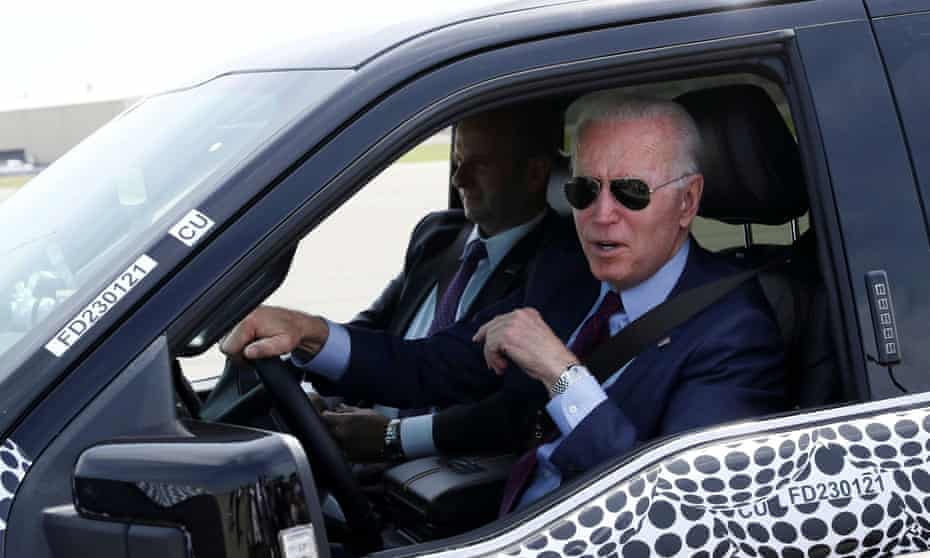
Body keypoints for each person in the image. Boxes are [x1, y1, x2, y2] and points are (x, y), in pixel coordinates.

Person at [222, 95, 786, 511]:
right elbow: (432, 366)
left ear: (687, 202)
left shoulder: (734, 331)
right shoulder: (571, 279)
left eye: (631, 192)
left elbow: (679, 511)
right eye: (585, 190)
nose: (601, 214)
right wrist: (308, 332)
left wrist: (559, 373)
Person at [309, 103, 565, 462]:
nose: (458, 179)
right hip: (362, 442)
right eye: (458, 161)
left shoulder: (556, 264)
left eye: (480, 165)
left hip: (440, 471)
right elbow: (375, 326)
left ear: (535, 173)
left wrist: (390, 436)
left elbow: (441, 366)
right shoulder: (438, 234)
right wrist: (305, 364)